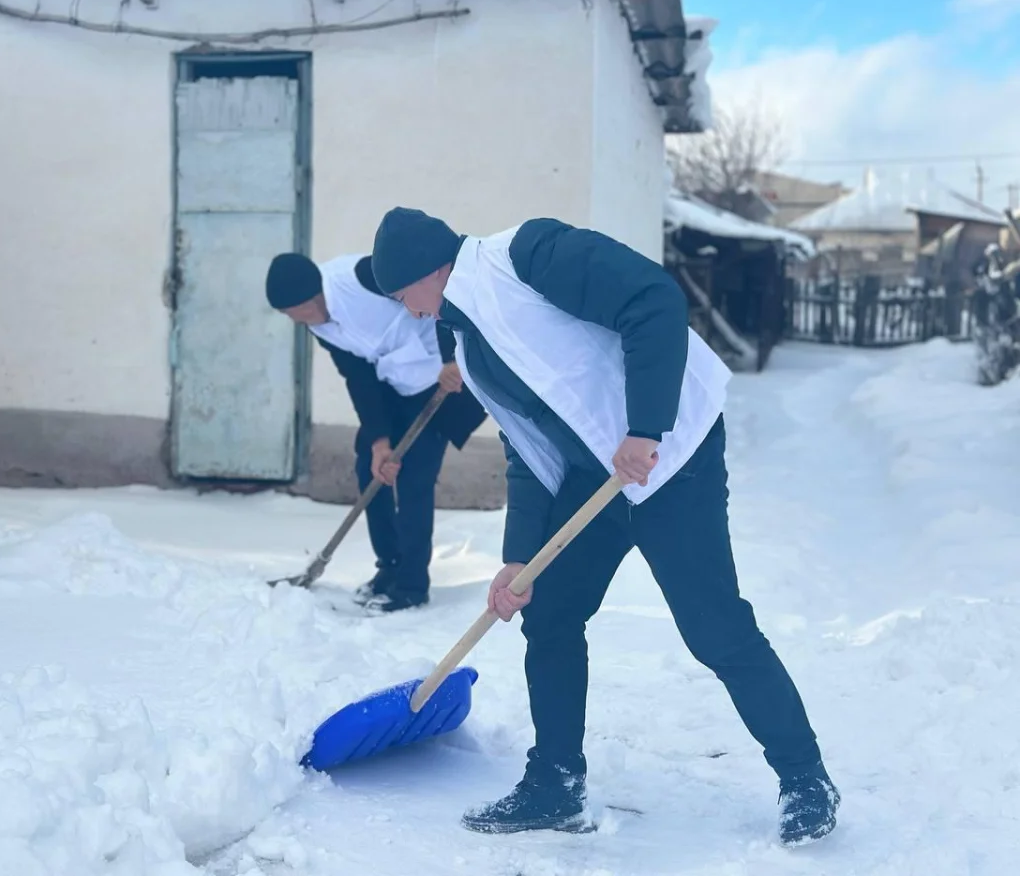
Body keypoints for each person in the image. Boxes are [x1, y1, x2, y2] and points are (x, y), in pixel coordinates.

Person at [369, 208, 840, 844]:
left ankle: (805, 777)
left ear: (430, 272)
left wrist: (646, 426)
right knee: (552, 611)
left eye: (404, 297)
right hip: (596, 477)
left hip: (671, 460)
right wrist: (520, 559)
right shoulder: (466, 343)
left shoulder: (528, 256)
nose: (410, 312)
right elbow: (527, 449)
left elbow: (653, 300)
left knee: (715, 628)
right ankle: (554, 783)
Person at [265, 251, 487, 612]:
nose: (303, 321)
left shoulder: (364, 276)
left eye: (302, 311)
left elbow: (439, 290)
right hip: (393, 387)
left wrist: (452, 358)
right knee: (370, 468)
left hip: (441, 383)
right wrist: (379, 442)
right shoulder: (317, 325)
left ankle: (412, 585)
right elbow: (358, 376)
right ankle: (390, 567)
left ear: (315, 293)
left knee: (415, 479)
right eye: (293, 317)